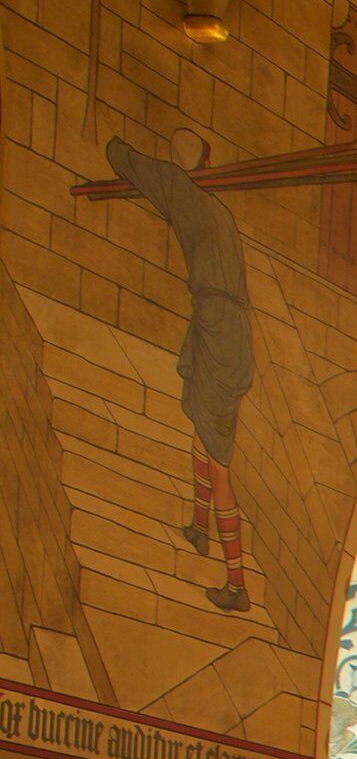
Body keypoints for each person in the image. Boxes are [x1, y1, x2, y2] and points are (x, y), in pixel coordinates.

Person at [96, 134, 259, 611]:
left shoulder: (181, 192)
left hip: (218, 336)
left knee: (219, 460)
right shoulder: (220, 213)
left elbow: (131, 163)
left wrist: (116, 147)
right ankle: (198, 526)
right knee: (200, 432)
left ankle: (237, 585)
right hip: (223, 332)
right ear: (208, 160)